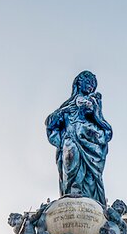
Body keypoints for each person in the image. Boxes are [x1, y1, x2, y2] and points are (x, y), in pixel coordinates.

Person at [45, 71, 113, 206]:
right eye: (88, 83)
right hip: (70, 138)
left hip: (89, 139)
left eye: (93, 85)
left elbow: (99, 121)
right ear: (78, 83)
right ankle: (72, 194)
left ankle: (89, 201)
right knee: (70, 161)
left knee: (90, 176)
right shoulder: (67, 105)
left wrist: (92, 107)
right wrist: (65, 111)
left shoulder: (93, 101)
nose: (90, 87)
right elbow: (50, 122)